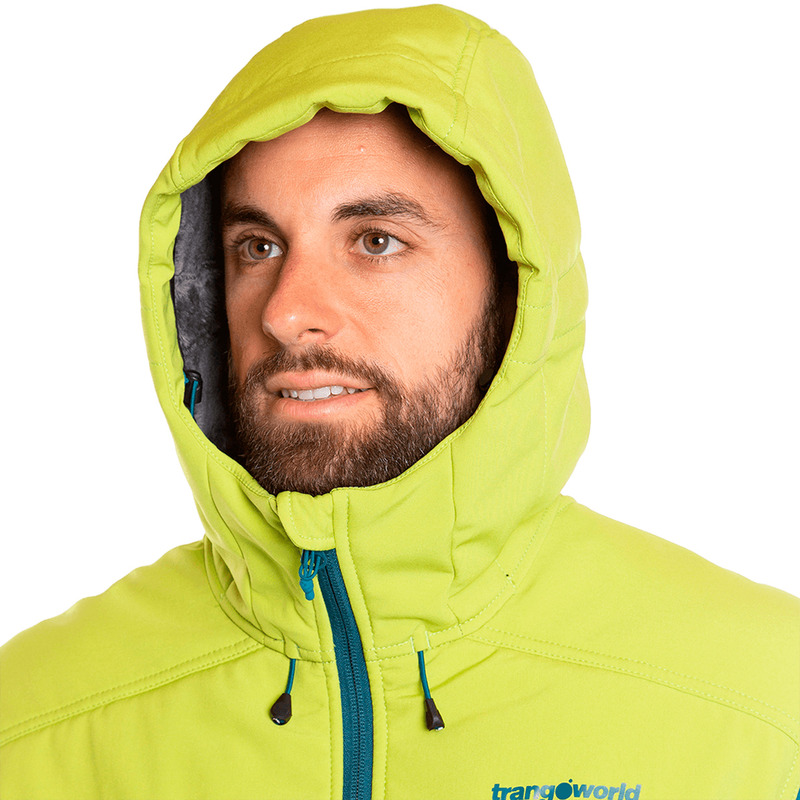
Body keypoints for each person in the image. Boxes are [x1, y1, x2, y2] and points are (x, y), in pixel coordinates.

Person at [1, 6, 798, 800]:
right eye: (258, 247)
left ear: (517, 291)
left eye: (376, 240)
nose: (286, 312)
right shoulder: (33, 723)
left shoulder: (765, 711)